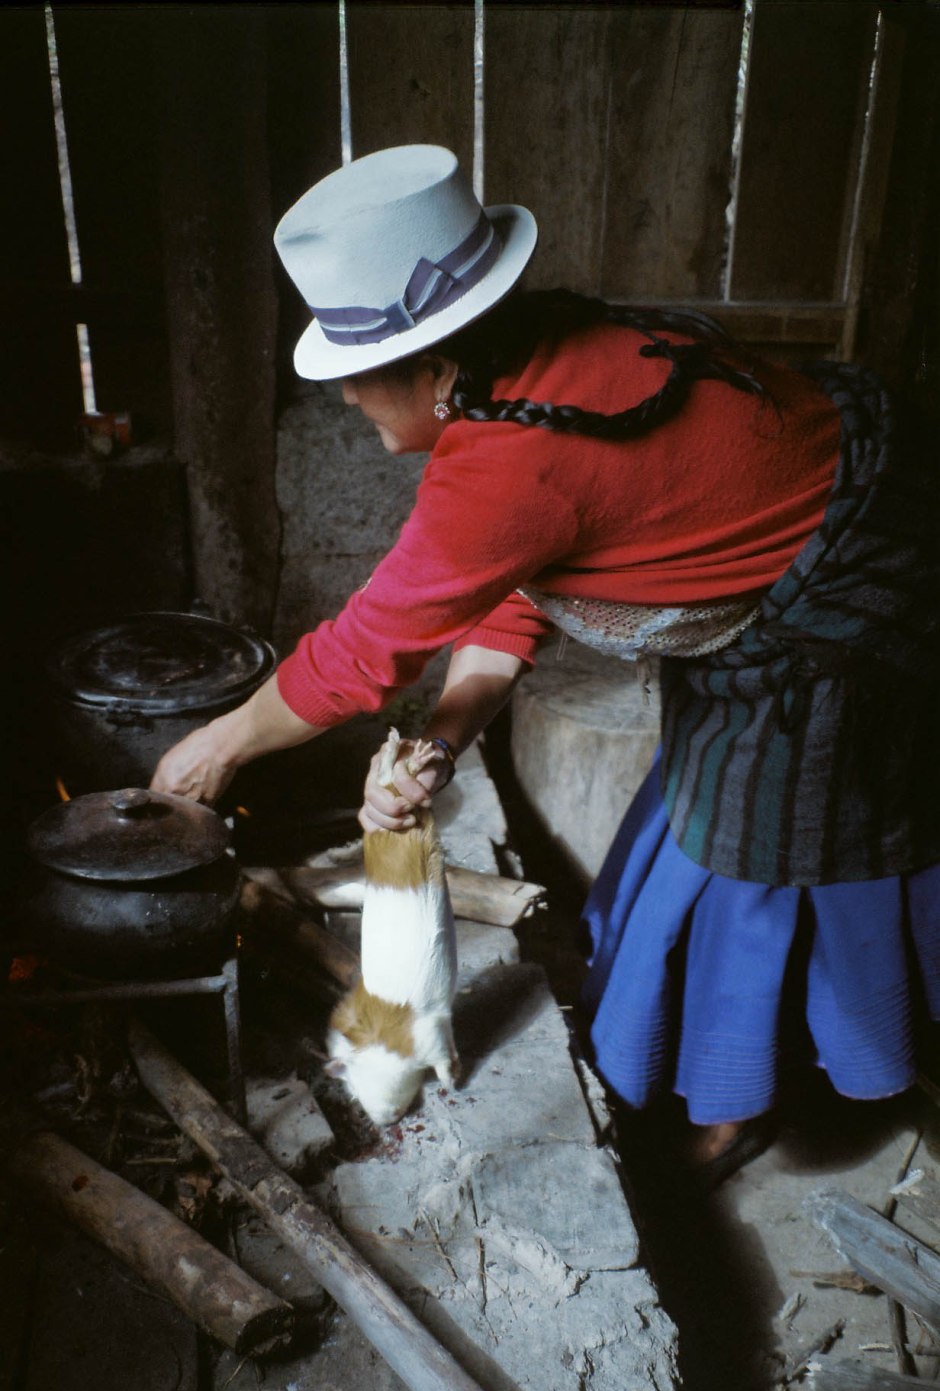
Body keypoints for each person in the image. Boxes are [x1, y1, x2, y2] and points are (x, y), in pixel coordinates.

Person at [151, 144, 940, 1180]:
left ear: (435, 369)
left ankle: (737, 1102)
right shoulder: (534, 369)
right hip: (788, 594)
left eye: (355, 376)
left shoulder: (512, 461)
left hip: (860, 599)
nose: (344, 400)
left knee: (764, 862)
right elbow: (522, 595)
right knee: (706, 810)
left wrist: (214, 749)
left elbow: (357, 660)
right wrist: (442, 737)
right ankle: (694, 1050)